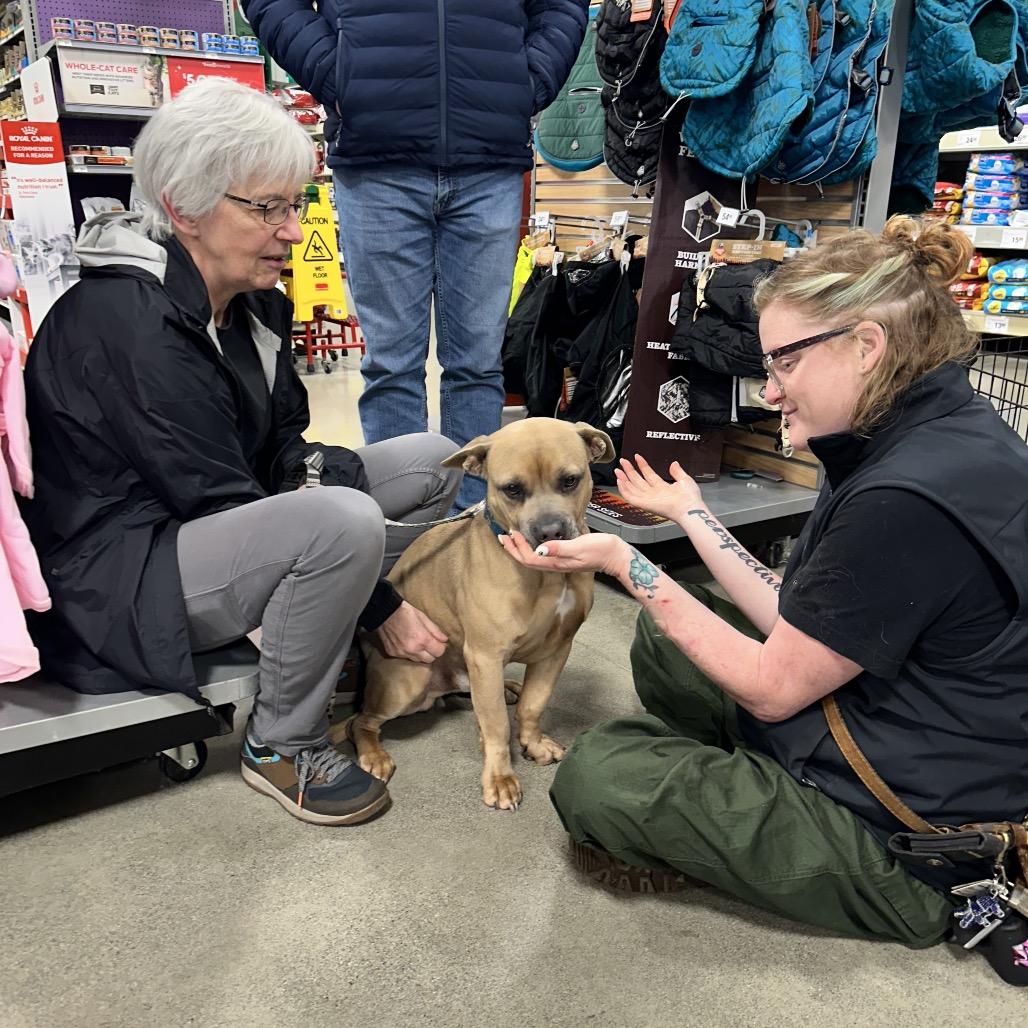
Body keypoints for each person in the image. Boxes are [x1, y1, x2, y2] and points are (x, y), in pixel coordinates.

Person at [498, 216, 1028, 948]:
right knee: (667, 635)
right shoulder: (929, 436)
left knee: (600, 773)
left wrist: (627, 562)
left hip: (903, 832)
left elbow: (775, 684)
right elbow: (798, 616)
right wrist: (692, 517)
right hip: (880, 726)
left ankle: (767, 826)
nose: (771, 390)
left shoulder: (905, 498)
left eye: (783, 363)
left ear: (866, 346)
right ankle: (736, 793)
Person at [21, 79, 462, 827]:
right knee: (341, 523)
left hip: (216, 520)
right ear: (184, 206)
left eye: (295, 205)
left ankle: (324, 626)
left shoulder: (250, 303)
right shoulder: (127, 323)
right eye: (268, 209)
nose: (293, 232)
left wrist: (324, 493)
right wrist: (381, 603)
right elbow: (216, 494)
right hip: (123, 572)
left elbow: (287, 444)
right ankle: (280, 743)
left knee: (434, 460)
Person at [241, 0, 590, 509]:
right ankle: (405, 527)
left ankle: (476, 524)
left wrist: (528, 80)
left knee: (477, 366)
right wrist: (334, 72)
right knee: (392, 367)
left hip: (486, 147)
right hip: (377, 151)